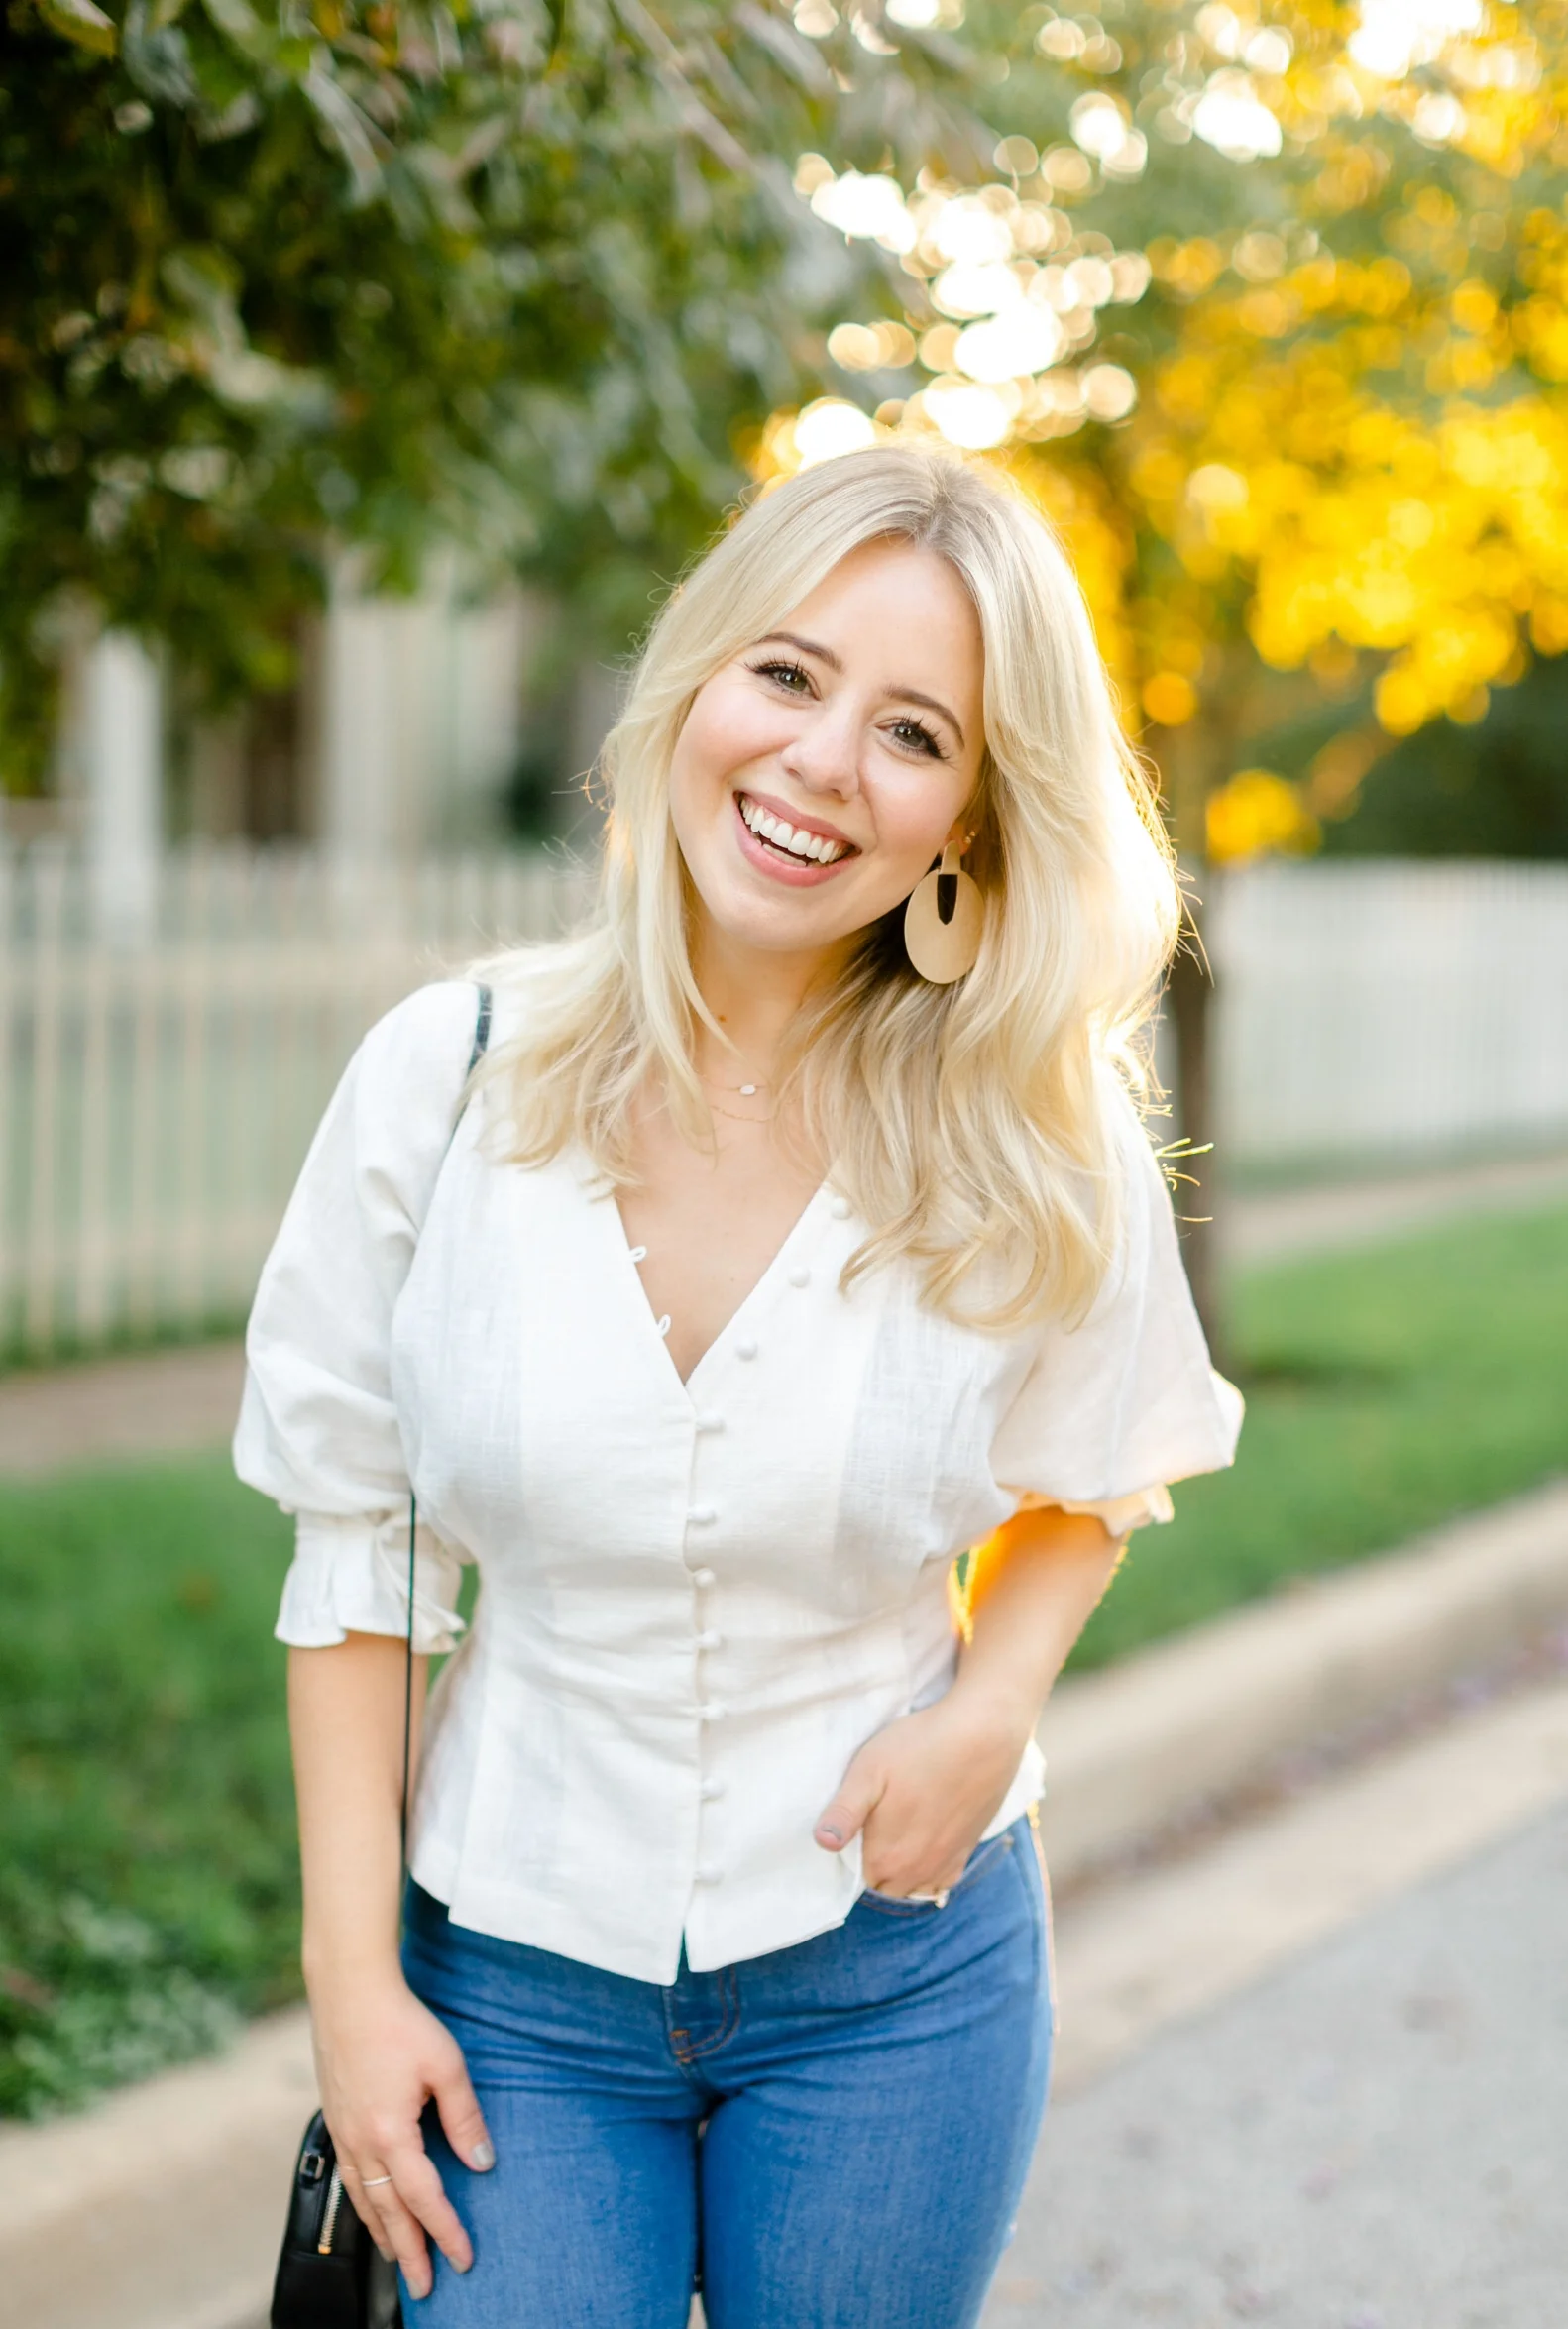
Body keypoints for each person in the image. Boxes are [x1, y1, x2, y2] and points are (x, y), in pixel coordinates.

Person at [235, 442, 1242, 2329]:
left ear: (966, 815)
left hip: (892, 1985)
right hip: (510, 1981)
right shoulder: (440, 1080)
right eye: (786, 674)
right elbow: (357, 1549)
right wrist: (354, 1983)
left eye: (912, 731)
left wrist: (988, 1702)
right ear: (695, 682)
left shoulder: (1035, 1131)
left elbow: (1098, 1473)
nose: (818, 764)